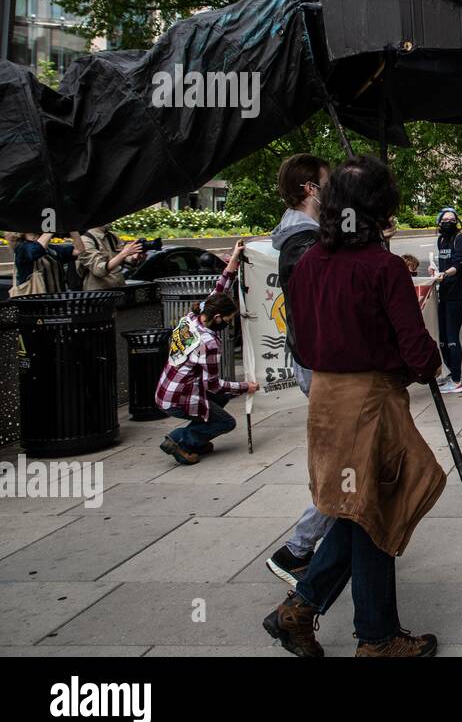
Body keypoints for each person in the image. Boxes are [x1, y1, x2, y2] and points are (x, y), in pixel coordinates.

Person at [262, 156, 446, 658]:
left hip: (325, 399)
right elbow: (417, 351)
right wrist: (428, 366)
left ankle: (301, 611)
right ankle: (376, 637)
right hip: (370, 404)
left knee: (357, 508)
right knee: (375, 508)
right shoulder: (382, 268)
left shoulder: (308, 265)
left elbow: (301, 338)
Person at [264, 154, 334, 586]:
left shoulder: (301, 235)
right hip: (324, 366)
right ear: (311, 188)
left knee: (349, 463)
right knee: (348, 464)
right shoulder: (304, 240)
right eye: (327, 183)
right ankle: (297, 549)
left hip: (317, 362)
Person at [155, 241, 259, 465]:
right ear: (219, 317)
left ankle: (196, 438)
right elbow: (214, 385)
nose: (229, 325)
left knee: (223, 397)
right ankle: (181, 440)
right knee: (226, 422)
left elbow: (220, 288)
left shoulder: (195, 316)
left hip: (166, 391)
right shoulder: (209, 342)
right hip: (179, 398)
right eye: (229, 321)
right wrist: (245, 387)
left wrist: (234, 259)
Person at [431, 207, 462, 395]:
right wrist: (436, 271)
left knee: (452, 337)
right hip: (445, 292)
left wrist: (445, 274)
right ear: (439, 222)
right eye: (445, 219)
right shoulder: (441, 240)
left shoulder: (460, 239)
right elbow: (443, 263)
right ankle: (448, 374)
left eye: (452, 219)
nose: (448, 222)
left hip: (459, 293)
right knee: (443, 338)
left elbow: (458, 263)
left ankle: (456, 380)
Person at [7, 231, 82, 295]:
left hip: (56, 301)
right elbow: (35, 251)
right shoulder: (22, 248)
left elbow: (78, 250)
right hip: (34, 302)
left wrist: (73, 229)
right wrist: (50, 228)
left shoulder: (51, 249)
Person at [76, 226, 143, 290]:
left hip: (119, 289)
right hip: (99, 294)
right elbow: (99, 270)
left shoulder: (112, 236)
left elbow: (125, 263)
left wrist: (134, 258)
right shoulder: (84, 240)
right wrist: (124, 253)